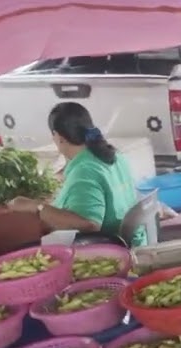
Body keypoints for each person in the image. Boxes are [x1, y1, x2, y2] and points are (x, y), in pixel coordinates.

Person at [9, 102, 145, 245]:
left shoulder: (85, 170)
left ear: (58, 136)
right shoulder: (113, 155)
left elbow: (89, 224)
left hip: (111, 251)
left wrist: (36, 206)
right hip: (133, 242)